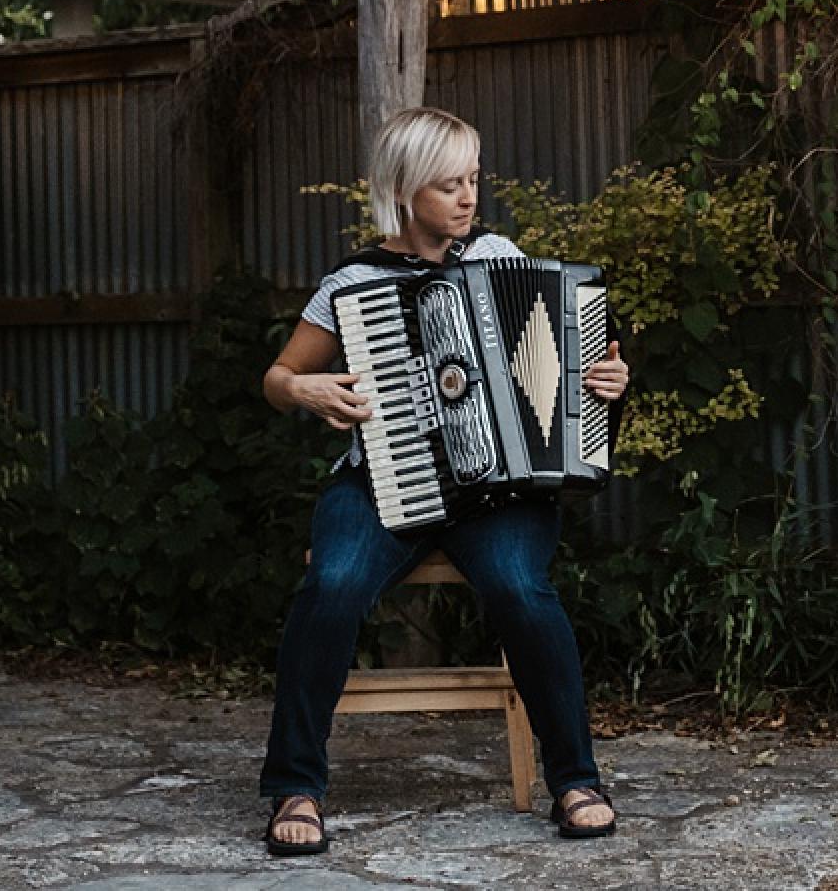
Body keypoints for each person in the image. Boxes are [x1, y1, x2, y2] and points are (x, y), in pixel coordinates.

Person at [257, 106, 628, 856]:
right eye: (448, 184)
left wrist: (609, 379)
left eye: (472, 179)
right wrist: (306, 391)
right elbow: (278, 375)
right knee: (330, 584)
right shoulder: (353, 281)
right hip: (383, 480)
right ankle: (296, 785)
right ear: (404, 191)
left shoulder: (497, 254)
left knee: (523, 592)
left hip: (501, 492)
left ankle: (576, 779)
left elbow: (557, 361)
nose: (468, 196)